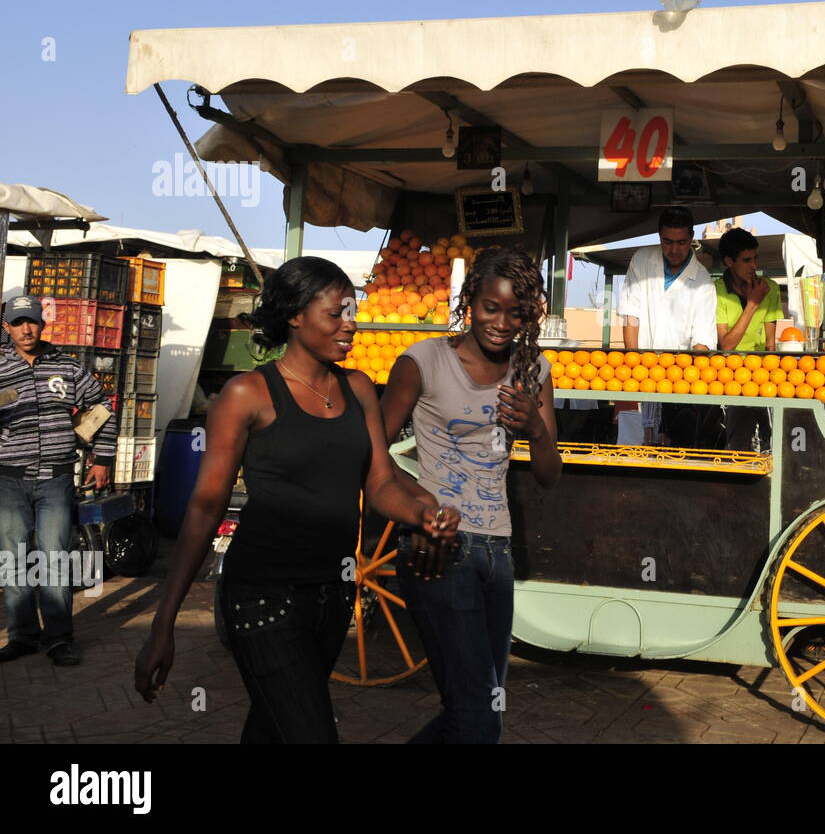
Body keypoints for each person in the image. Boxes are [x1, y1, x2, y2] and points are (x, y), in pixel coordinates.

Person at [134, 258, 451, 742]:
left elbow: (381, 482)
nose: (350, 324)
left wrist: (422, 512)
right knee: (311, 732)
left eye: (352, 310)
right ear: (295, 316)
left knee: (272, 726)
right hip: (262, 596)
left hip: (333, 594)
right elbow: (205, 507)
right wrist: (164, 621)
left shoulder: (359, 388)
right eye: (335, 313)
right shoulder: (247, 394)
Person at [381, 247, 561, 743]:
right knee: (478, 719)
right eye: (490, 307)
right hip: (439, 550)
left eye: (516, 313)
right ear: (469, 302)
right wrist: (422, 513)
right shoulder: (423, 361)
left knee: (482, 716)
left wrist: (535, 430)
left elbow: (550, 474)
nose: (502, 322)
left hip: (496, 553)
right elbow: (372, 457)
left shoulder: (534, 370)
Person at [0, 295, 118, 667]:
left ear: (42, 324)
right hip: (8, 480)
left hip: (56, 479)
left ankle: (58, 638)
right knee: (12, 558)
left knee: (55, 556)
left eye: (31, 321)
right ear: (6, 327)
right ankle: (21, 635)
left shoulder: (66, 367)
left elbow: (102, 406)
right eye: (18, 322)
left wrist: (103, 458)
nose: (26, 329)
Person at [620, 206, 718, 444]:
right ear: (659, 237)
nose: (674, 249)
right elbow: (630, 317)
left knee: (672, 445)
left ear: (691, 239)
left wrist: (686, 384)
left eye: (681, 242)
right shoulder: (642, 260)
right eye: (667, 242)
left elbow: (702, 342)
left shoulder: (703, 282)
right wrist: (634, 367)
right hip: (641, 373)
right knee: (641, 447)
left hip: (679, 381)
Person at [713, 227, 782, 450]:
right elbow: (726, 345)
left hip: (763, 377)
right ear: (728, 261)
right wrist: (753, 304)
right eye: (746, 260)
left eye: (756, 258)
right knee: (738, 444)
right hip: (730, 378)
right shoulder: (716, 291)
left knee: (771, 442)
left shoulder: (769, 288)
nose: (754, 266)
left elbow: (771, 345)